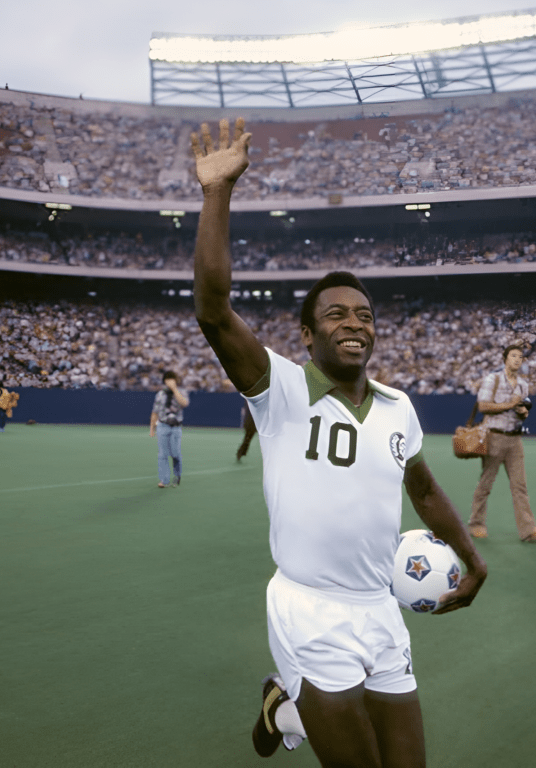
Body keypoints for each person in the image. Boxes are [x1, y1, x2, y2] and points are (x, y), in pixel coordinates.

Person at [190, 117, 487, 768]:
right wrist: (218, 193)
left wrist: (472, 556)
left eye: (364, 315)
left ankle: (283, 704)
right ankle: (294, 693)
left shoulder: (397, 407)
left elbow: (424, 488)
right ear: (307, 334)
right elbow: (212, 310)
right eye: (336, 314)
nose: (354, 324)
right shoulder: (282, 390)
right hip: (308, 609)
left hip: (380, 608)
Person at [468, 345, 536, 543]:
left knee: (520, 486)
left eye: (520, 357)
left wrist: (523, 412)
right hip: (494, 436)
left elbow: (520, 411)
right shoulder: (493, 379)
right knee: (486, 483)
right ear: (504, 358)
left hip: (515, 439)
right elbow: (483, 406)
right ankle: (476, 524)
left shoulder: (522, 385)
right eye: (513, 356)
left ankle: (529, 530)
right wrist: (510, 405)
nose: (517, 360)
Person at [149, 371, 190, 488]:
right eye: (167, 379)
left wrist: (174, 389)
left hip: (176, 427)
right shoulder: (160, 394)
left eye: (172, 379)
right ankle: (164, 480)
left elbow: (184, 403)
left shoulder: (181, 392)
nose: (169, 381)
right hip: (162, 425)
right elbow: (155, 412)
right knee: (162, 454)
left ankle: (177, 476)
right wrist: (152, 428)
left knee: (175, 453)